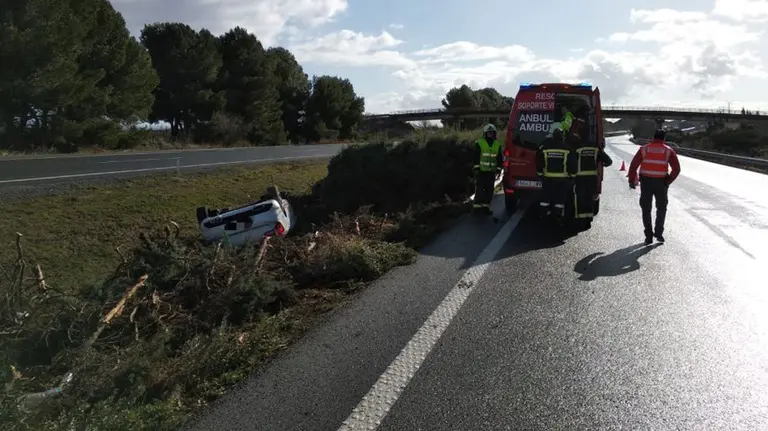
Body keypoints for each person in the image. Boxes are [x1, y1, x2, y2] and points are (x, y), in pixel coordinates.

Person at [627, 129, 681, 244]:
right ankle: (659, 233)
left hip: (646, 182)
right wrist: (668, 181)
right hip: (661, 183)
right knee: (661, 208)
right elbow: (676, 169)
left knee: (646, 209)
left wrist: (631, 180)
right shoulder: (668, 150)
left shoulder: (644, 149)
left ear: (653, 137)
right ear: (664, 138)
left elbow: (633, 166)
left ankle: (648, 236)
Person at [568, 107, 613, 223]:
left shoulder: (577, 149)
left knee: (580, 197)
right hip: (592, 178)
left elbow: (571, 162)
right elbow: (609, 162)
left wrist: (571, 174)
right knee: (589, 197)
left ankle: (579, 217)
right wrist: (599, 164)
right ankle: (589, 217)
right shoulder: (595, 149)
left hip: (580, 177)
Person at [536, 128, 575, 220]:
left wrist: (540, 174)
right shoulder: (567, 148)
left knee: (545, 199)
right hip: (562, 180)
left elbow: (539, 161)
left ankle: (543, 215)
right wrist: (572, 176)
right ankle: (557, 216)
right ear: (563, 137)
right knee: (560, 199)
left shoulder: (545, 147)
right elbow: (572, 164)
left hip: (547, 178)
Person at [472, 123, 503, 214]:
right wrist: (476, 168)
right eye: (488, 132)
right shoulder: (479, 143)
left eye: (492, 132)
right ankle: (477, 208)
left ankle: (486, 208)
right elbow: (476, 157)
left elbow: (499, 158)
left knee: (489, 191)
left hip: (491, 172)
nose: (490, 134)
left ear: (494, 133)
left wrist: (498, 169)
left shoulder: (497, 144)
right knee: (479, 190)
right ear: (485, 133)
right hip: (481, 171)